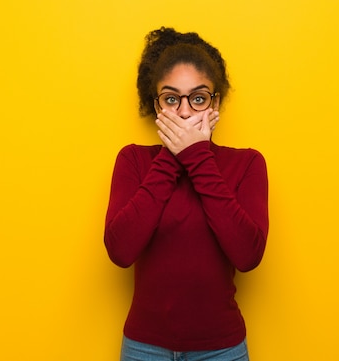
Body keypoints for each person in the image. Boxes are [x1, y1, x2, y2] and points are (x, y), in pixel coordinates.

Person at [104, 27, 269, 361]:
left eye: (197, 98)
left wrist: (197, 157)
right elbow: (120, 250)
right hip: (143, 348)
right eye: (171, 98)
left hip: (221, 349)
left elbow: (248, 255)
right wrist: (171, 157)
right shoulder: (134, 160)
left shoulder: (247, 164)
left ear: (215, 102)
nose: (183, 112)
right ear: (156, 105)